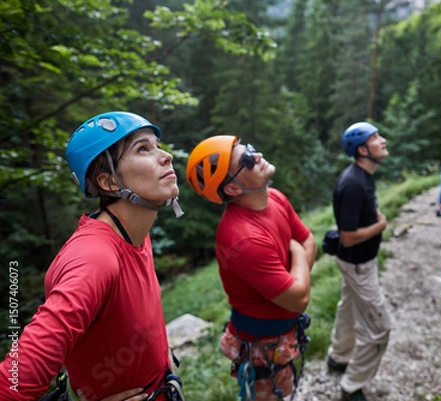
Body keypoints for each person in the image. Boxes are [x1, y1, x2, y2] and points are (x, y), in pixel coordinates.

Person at [0, 111, 185, 400]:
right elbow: (11, 386)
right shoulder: (94, 258)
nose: (166, 156)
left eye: (157, 145)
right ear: (110, 182)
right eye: (143, 149)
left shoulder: (133, 231)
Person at [185, 135, 316, 401]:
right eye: (246, 159)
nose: (256, 156)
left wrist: (296, 273)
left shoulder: (275, 198)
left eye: (251, 150)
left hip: (281, 334)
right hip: (264, 346)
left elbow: (309, 240)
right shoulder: (242, 237)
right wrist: (297, 255)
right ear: (232, 189)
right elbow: (299, 298)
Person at [326, 122, 391, 401]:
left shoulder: (363, 175)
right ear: (363, 150)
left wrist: (375, 216)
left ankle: (337, 357)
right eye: (376, 138)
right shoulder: (353, 183)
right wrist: (381, 225)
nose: (383, 140)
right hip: (358, 263)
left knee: (348, 308)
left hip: (357, 262)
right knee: (379, 329)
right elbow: (349, 237)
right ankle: (352, 387)